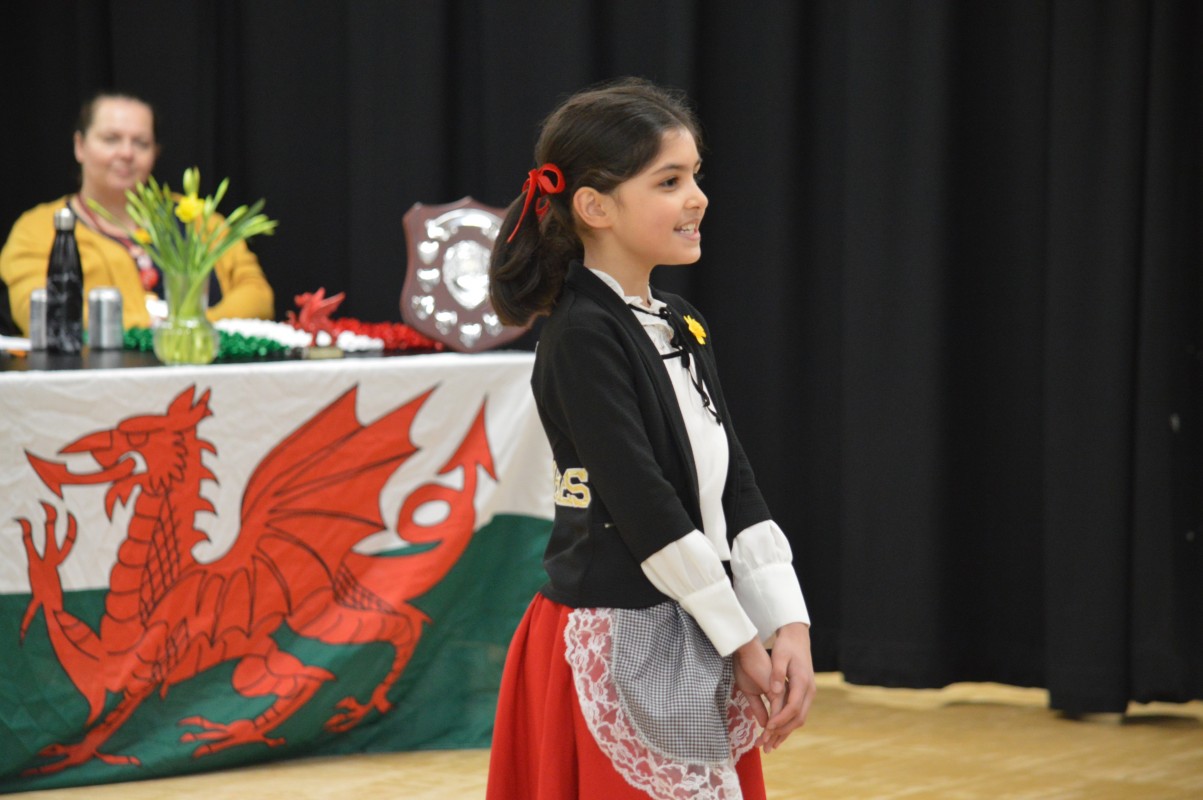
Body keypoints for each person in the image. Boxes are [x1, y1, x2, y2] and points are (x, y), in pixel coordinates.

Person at [485, 78, 816, 800]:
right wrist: (738, 636)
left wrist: (786, 623)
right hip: (621, 632)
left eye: (696, 176)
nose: (696, 197)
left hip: (693, 621)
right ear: (594, 206)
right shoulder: (580, 335)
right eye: (669, 180)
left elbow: (734, 485)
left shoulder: (678, 320)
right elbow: (643, 506)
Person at [0, 91, 274, 336]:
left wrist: (192, 329)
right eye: (111, 139)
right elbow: (42, 314)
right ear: (80, 146)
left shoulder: (198, 217)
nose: (127, 153)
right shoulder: (38, 228)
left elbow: (258, 296)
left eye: (141, 143)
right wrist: (162, 330)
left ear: (155, 153)